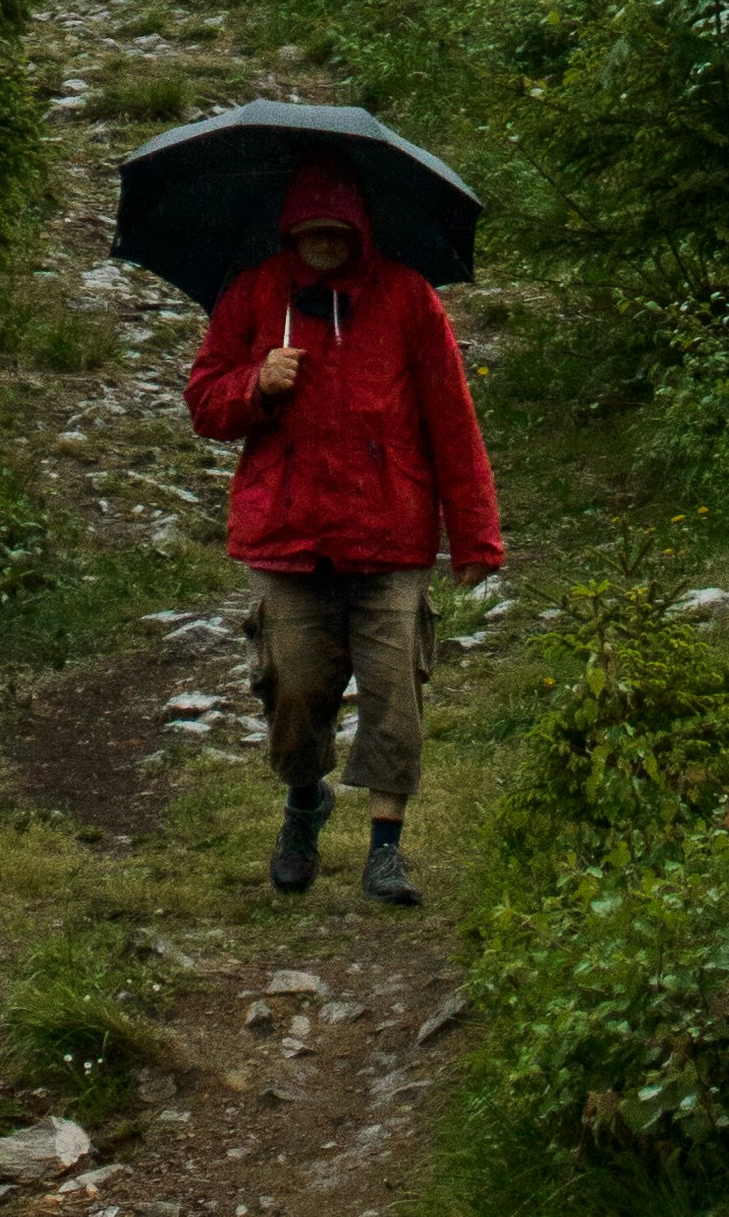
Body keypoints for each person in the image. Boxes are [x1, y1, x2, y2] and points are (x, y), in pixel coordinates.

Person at [182, 156, 504, 905]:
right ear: (290, 230)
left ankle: (385, 850)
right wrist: (254, 384)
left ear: (361, 229)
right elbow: (203, 404)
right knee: (293, 691)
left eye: (337, 230)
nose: (324, 241)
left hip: (391, 534)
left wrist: (475, 534)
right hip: (287, 537)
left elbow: (451, 418)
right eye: (310, 230)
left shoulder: (409, 297)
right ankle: (305, 803)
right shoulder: (254, 293)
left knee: (396, 696)